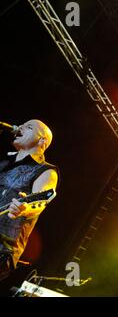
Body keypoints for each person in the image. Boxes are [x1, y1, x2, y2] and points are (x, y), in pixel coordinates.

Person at [0, 120, 58, 283]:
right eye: (21, 125)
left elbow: (40, 201)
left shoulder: (46, 171)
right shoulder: (4, 162)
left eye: (29, 127)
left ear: (42, 141)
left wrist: (24, 208)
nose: (20, 128)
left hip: (3, 248)